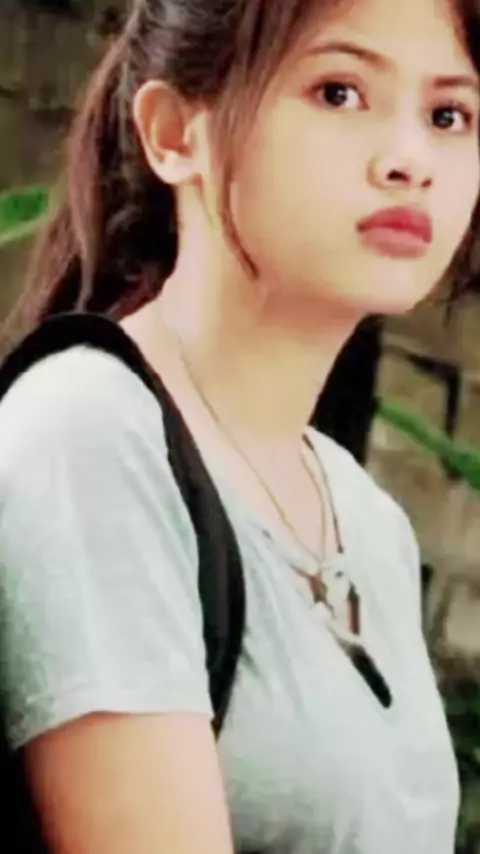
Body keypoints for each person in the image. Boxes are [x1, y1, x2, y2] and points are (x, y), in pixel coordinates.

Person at [0, 0, 478, 851]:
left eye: (448, 115)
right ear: (173, 133)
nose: (410, 160)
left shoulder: (369, 524)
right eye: (338, 92)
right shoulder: (91, 438)